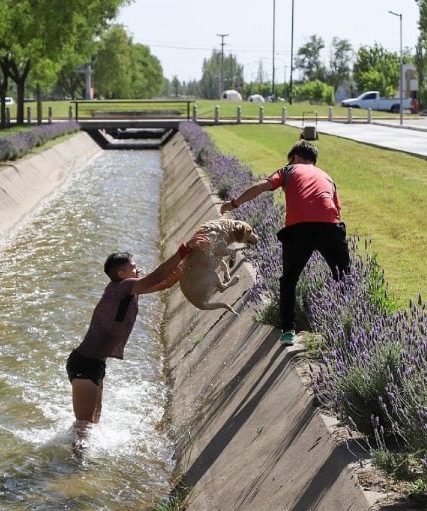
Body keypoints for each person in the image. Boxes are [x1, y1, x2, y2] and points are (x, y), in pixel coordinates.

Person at [66, 235, 204, 434]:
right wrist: (182, 251)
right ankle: (72, 464)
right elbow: (156, 276)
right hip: (84, 364)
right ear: (122, 274)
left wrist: (191, 259)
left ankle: (82, 462)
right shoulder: (121, 287)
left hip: (97, 364)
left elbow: (165, 282)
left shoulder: (131, 290)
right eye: (134, 266)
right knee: (83, 427)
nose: (138, 269)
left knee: (93, 424)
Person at [219, 140, 350, 346]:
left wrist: (234, 203)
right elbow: (336, 209)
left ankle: (288, 331)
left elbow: (262, 186)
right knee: (343, 276)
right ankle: (348, 330)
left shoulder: (288, 170)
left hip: (298, 229)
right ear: (313, 160)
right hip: (330, 226)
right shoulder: (327, 176)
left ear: (295, 157)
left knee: (289, 280)